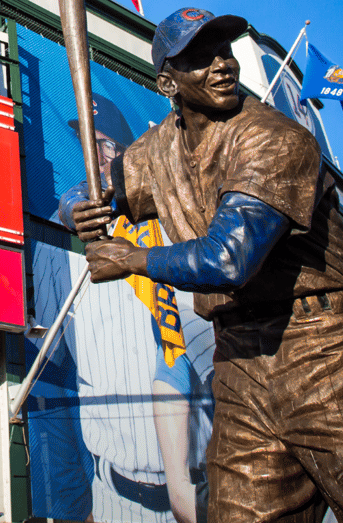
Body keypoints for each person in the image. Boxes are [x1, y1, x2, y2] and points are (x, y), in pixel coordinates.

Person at [60, 7, 343, 523]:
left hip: (329, 351)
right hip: (238, 365)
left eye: (224, 50)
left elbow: (230, 259)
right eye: (200, 57)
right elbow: (90, 190)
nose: (222, 64)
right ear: (168, 81)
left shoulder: (272, 136)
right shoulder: (156, 150)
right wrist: (80, 206)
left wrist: (132, 258)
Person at [47, 95, 213, 523]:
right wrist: (67, 507)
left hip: (212, 487)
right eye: (84, 145)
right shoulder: (54, 238)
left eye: (106, 147)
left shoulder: (174, 222)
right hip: (113, 497)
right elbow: (53, 380)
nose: (96, 158)